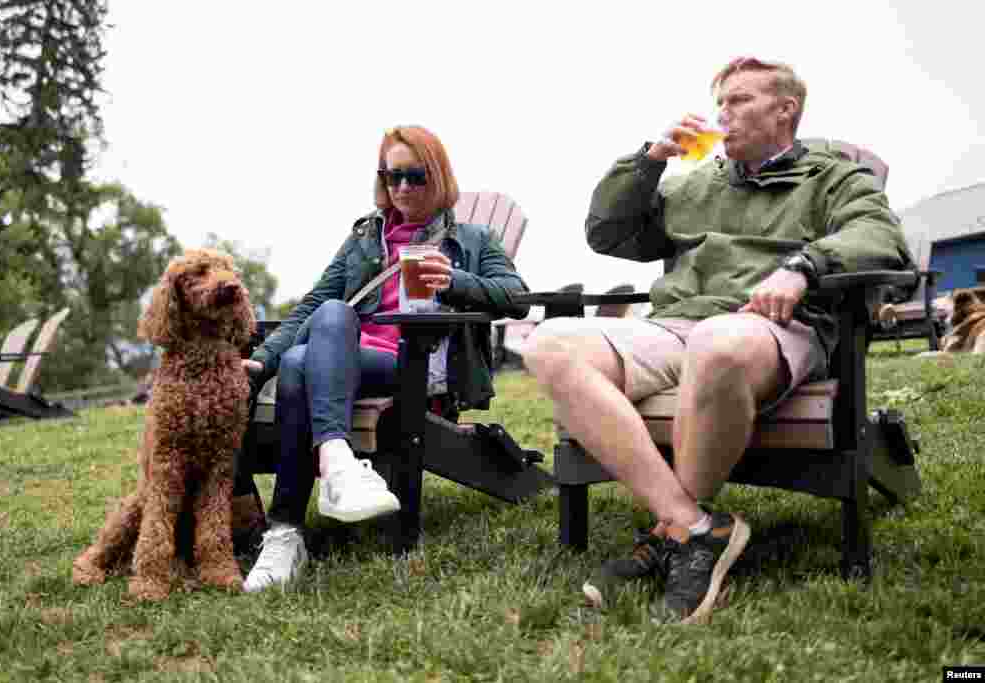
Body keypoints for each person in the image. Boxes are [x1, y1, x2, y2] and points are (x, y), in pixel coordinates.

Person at [521, 57, 913, 624]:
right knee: (549, 343)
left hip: (773, 327)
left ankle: (673, 534)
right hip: (678, 324)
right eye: (720, 102)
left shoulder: (833, 177)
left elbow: (880, 237)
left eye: (739, 100)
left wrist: (805, 266)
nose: (722, 114)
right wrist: (648, 161)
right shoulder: (693, 185)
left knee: (719, 342)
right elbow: (608, 234)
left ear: (786, 110)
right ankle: (695, 527)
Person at [239, 125, 530, 592]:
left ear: (437, 175)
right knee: (309, 343)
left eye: (415, 176)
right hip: (342, 359)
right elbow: (316, 303)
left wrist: (455, 281)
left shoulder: (474, 238)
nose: (403, 188)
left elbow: (516, 298)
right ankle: (330, 475)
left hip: (413, 365)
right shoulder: (364, 237)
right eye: (393, 177)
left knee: (307, 357)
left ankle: (285, 532)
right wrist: (264, 358)